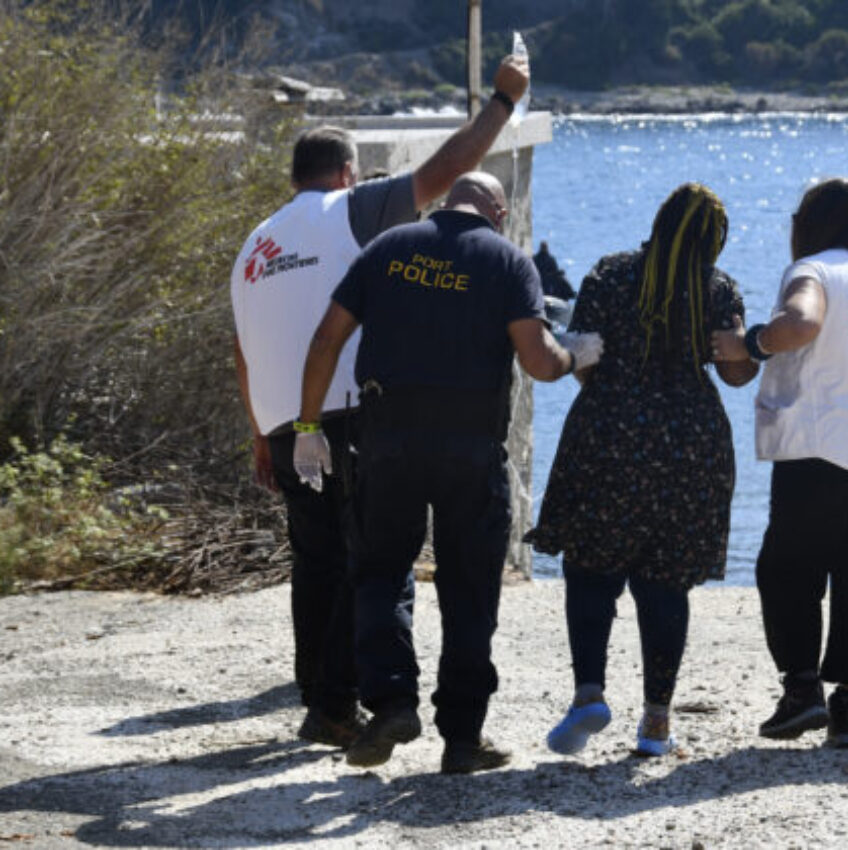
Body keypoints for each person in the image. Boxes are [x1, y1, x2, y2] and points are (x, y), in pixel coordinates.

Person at [230, 55, 530, 749]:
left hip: (283, 421)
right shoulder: (354, 210)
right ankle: (363, 701)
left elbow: (242, 346)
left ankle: (326, 704)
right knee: (370, 562)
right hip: (341, 415)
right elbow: (447, 171)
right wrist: (502, 102)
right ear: (345, 174)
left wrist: (260, 432)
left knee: (317, 563)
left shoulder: (257, 241)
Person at [294, 172, 603, 775]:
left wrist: (308, 429)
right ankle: (463, 739)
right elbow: (539, 363)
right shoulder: (509, 262)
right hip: (470, 446)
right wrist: (575, 355)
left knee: (379, 573)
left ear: (445, 203)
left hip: (387, 440)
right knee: (469, 590)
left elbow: (327, 338)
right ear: (499, 210)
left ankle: (389, 704)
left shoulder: (388, 248)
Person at [527, 183, 757, 757]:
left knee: (590, 571)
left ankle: (589, 695)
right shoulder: (718, 287)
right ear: (715, 239)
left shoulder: (610, 273)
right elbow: (735, 374)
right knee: (665, 583)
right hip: (692, 444)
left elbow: (585, 358)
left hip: (609, 434)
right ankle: (656, 723)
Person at [712, 178, 848, 748]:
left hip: (825, 444)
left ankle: (802, 690)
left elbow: (801, 325)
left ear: (810, 223)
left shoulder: (816, 270)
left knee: (787, 571)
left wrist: (749, 343)